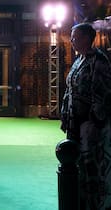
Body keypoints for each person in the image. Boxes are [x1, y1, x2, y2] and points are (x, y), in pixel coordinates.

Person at [60, 22, 111, 210]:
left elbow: (102, 93)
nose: (72, 40)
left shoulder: (99, 60)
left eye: (75, 37)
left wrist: (94, 122)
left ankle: (94, 204)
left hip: (90, 126)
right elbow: (70, 90)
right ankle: (79, 201)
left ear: (88, 38)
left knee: (91, 166)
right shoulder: (79, 59)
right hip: (75, 122)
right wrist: (65, 115)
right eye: (72, 37)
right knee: (75, 163)